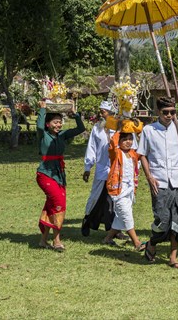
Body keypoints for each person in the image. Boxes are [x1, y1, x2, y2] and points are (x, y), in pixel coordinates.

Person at [138, 97, 178, 269]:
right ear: (158, 112)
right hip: (159, 181)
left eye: (172, 112)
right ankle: (152, 244)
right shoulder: (149, 130)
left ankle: (173, 257)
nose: (169, 116)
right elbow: (142, 155)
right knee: (162, 219)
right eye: (165, 112)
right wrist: (149, 177)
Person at [36, 100, 85, 251]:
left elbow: (80, 128)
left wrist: (75, 115)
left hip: (59, 175)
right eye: (55, 122)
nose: (58, 125)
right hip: (45, 174)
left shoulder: (62, 136)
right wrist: (42, 110)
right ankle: (57, 240)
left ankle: (43, 240)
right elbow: (38, 125)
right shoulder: (43, 135)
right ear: (48, 124)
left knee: (51, 206)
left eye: (60, 122)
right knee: (59, 204)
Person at [81, 101, 123, 238]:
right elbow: (92, 148)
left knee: (115, 199)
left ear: (111, 113)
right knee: (96, 196)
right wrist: (88, 167)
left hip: (116, 169)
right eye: (100, 111)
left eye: (103, 112)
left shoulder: (119, 128)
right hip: (101, 169)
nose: (101, 114)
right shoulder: (97, 128)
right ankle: (87, 221)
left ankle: (115, 229)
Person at [101, 129, 145, 251]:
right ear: (119, 141)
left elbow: (143, 150)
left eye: (130, 139)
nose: (128, 142)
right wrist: (120, 128)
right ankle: (136, 242)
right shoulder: (116, 153)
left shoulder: (133, 154)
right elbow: (113, 143)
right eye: (124, 139)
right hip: (118, 189)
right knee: (126, 215)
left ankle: (108, 238)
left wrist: (141, 135)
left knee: (120, 217)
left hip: (130, 189)